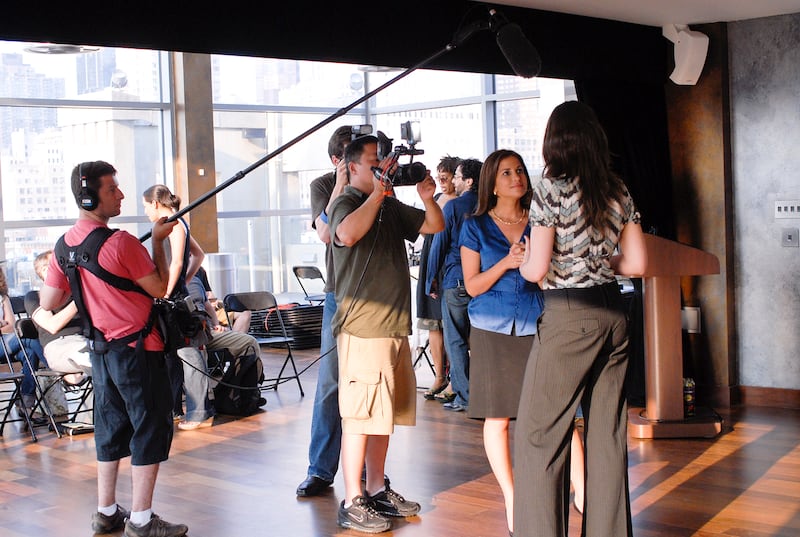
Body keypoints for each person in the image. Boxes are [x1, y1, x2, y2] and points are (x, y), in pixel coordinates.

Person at [514, 101, 647, 537]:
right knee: (607, 438)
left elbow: (536, 270)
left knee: (539, 436)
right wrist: (597, 259)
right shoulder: (618, 189)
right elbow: (637, 264)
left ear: (555, 142)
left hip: (570, 315)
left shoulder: (550, 190)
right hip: (614, 314)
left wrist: (523, 262)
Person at [40, 160, 188, 537]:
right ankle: (140, 519)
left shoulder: (63, 246)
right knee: (149, 429)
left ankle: (106, 512)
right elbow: (159, 289)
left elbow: (49, 299)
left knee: (109, 429)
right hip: (140, 351)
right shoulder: (121, 242)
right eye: (112, 190)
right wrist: (156, 242)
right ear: (89, 197)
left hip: (101, 353)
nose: (121, 194)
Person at [329, 134, 443, 533]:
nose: (384, 167)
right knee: (360, 416)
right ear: (352, 166)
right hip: (363, 329)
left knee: (384, 416)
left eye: (385, 161)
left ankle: (377, 489)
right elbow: (345, 234)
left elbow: (434, 224)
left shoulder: (389, 205)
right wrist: (377, 195)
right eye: (376, 161)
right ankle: (352, 499)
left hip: (394, 327)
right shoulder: (345, 202)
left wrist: (429, 196)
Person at [460, 149, 543, 534]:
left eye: (520, 170)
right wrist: (507, 263)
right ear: (492, 182)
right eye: (507, 172)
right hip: (492, 329)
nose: (517, 177)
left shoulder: (540, 220)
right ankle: (512, 496)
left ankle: (583, 491)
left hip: (538, 326)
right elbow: (473, 286)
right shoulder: (474, 226)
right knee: (498, 419)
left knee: (551, 415)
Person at [295, 125, 353, 497]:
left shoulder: (376, 186)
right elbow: (325, 232)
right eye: (354, 156)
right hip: (338, 293)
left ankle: (369, 471)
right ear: (337, 160)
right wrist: (341, 184)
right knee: (331, 383)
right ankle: (320, 469)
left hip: (373, 295)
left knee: (370, 386)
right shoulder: (322, 186)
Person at [142, 184, 206, 426]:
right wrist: (182, 282)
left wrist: (167, 291)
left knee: (189, 357)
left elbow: (179, 261)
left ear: (156, 204)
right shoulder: (174, 224)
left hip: (173, 300)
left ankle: (198, 413)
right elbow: (198, 255)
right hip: (172, 296)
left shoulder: (176, 224)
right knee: (172, 357)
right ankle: (175, 410)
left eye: (146, 205)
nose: (146, 211)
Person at [425, 158, 483, 411]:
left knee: (456, 340)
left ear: (469, 181)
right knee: (480, 339)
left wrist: (430, 280)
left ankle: (465, 397)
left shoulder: (454, 206)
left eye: (458, 177)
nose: (455, 182)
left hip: (456, 279)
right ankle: (485, 392)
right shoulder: (490, 205)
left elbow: (439, 245)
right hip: (485, 281)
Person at [417, 155, 459, 399]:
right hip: (431, 264)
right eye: (440, 175)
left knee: (452, 326)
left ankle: (455, 379)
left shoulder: (461, 203)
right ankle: (439, 377)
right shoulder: (438, 199)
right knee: (433, 324)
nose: (442, 180)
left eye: (447, 176)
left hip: (448, 267)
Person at [1, 266, 48, 414]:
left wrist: (3, 325)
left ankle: (25, 404)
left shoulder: (2, 297)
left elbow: (11, 325)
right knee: (28, 337)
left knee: (30, 351)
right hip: (4, 344)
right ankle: (56, 368)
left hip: (7, 342)